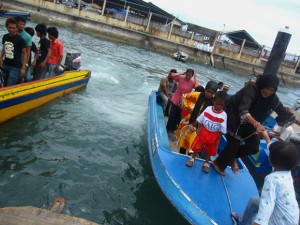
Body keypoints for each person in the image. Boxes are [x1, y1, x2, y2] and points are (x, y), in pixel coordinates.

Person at [212, 75, 295, 176]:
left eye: (272, 90)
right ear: (262, 85)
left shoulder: (273, 99)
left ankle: (232, 157)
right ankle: (218, 163)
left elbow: (284, 113)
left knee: (254, 147)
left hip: (252, 123)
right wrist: (256, 124)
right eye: (267, 89)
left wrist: (291, 118)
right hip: (235, 117)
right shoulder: (251, 89)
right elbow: (243, 110)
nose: (268, 92)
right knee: (233, 145)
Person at [231, 141, 299, 225]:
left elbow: (264, 214)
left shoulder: (272, 179)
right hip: (293, 220)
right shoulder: (287, 173)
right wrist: (266, 136)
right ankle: (242, 222)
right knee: (254, 201)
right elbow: (274, 150)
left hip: (278, 222)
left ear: (273, 160)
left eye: (269, 155)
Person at [186, 91, 227, 172]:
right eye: (217, 104)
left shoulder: (224, 115)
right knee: (197, 146)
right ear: (213, 101)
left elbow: (222, 129)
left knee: (209, 150)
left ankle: (206, 163)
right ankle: (192, 158)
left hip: (214, 135)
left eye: (221, 105)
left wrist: (219, 139)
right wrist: (198, 128)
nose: (219, 106)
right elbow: (200, 120)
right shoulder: (208, 109)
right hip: (204, 131)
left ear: (224, 105)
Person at [175, 81, 218, 154]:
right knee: (184, 142)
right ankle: (181, 155)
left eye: (212, 93)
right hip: (190, 121)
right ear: (205, 90)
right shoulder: (197, 95)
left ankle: (190, 158)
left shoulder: (213, 102)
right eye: (208, 91)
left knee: (193, 144)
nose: (209, 94)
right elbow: (185, 97)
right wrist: (189, 108)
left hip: (200, 126)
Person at [166, 69, 198, 133]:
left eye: (189, 75)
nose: (188, 77)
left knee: (178, 117)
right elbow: (172, 75)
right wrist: (182, 73)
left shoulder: (192, 83)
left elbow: (197, 87)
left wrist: (195, 78)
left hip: (184, 102)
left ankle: (173, 129)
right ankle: (168, 128)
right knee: (172, 115)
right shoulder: (181, 79)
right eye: (187, 75)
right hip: (176, 99)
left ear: (192, 76)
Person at [0, 17, 27, 86]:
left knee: (10, 85)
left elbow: (25, 54)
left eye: (14, 28)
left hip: (15, 67)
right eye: (10, 27)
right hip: (5, 64)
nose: (12, 29)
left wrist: (23, 68)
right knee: (3, 83)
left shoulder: (20, 40)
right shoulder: (5, 37)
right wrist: (0, 59)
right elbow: (4, 49)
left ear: (17, 28)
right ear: (7, 27)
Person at [15, 16, 32, 83]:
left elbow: (28, 52)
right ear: (16, 23)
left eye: (23, 24)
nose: (22, 26)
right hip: (11, 60)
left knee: (19, 78)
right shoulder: (12, 32)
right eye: (20, 24)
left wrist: (25, 66)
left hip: (21, 61)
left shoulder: (27, 36)